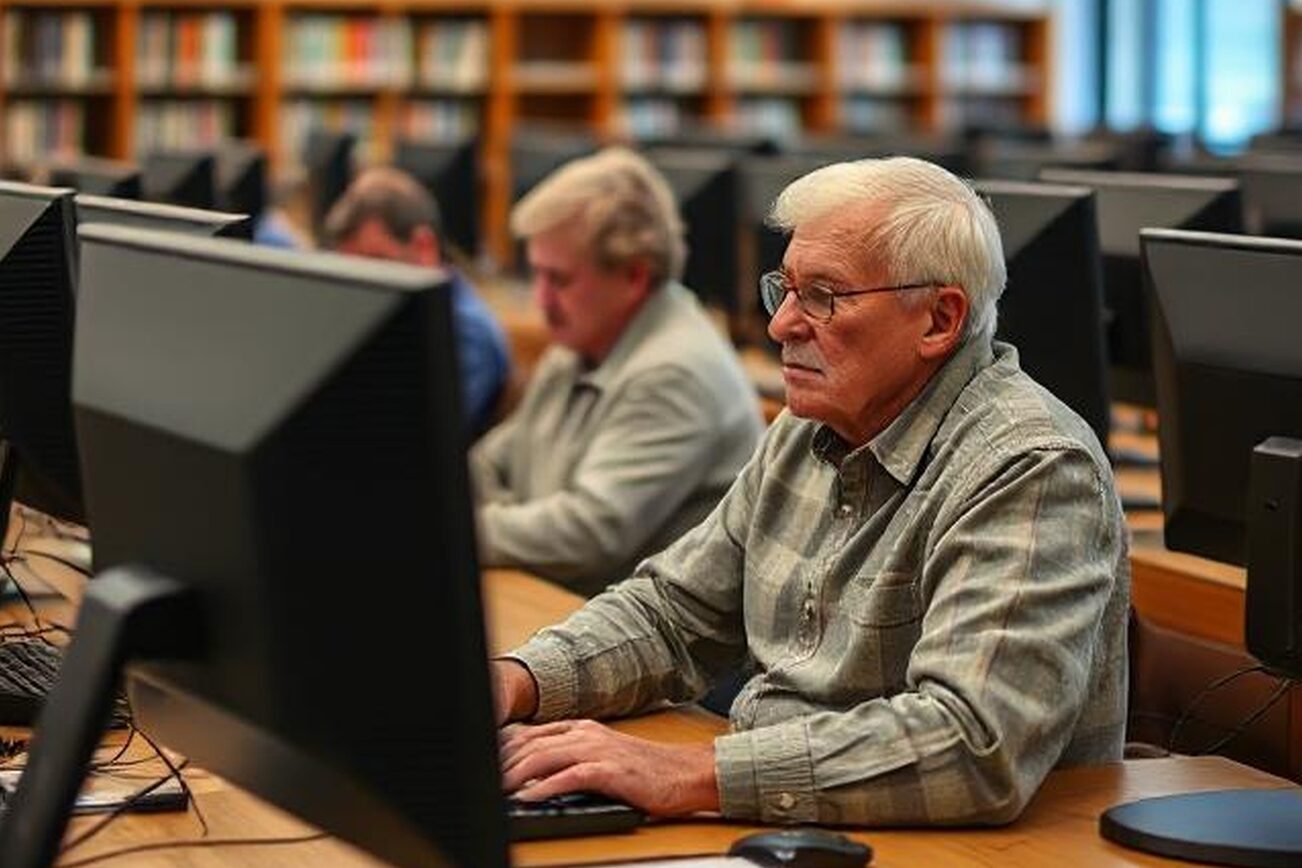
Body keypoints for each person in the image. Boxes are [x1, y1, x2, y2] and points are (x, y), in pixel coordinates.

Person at [493, 156, 1130, 826]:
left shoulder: (1032, 468)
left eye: (824, 297)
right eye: (786, 290)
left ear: (939, 320)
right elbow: (671, 615)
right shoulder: (810, 426)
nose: (781, 326)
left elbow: (971, 743)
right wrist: (518, 680)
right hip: (799, 818)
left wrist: (688, 771)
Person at [470, 148, 764, 597]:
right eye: (538, 276)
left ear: (633, 276)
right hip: (568, 609)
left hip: (652, 652)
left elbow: (586, 537)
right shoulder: (580, 344)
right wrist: (517, 520)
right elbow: (488, 463)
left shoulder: (675, 372)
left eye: (559, 280)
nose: (540, 300)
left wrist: (464, 525)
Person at [323, 167, 510, 435]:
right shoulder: (389, 318)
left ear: (424, 247)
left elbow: (420, 436)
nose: (365, 285)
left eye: (377, 263)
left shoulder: (467, 332)